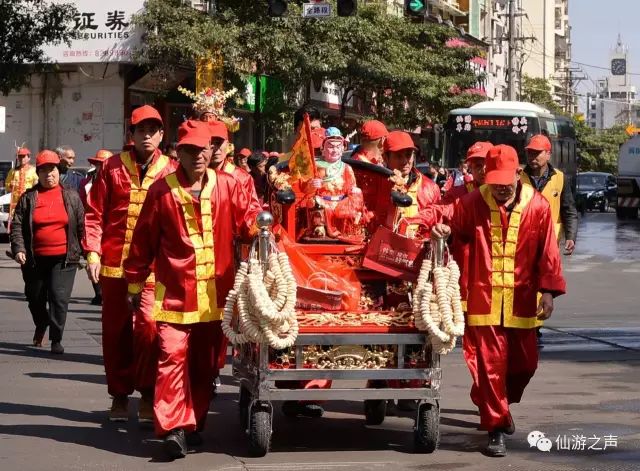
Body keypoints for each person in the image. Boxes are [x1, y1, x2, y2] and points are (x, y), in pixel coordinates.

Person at [123, 120, 259, 458]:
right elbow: (142, 241)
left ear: (212, 150)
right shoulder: (160, 191)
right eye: (189, 150)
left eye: (203, 149)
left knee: (205, 364)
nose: (198, 156)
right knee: (171, 356)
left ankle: (193, 421)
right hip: (175, 295)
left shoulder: (229, 185)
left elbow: (248, 224)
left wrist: (266, 225)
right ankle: (173, 429)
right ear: (177, 152)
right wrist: (135, 282)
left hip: (218, 297)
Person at [431, 144, 566, 457]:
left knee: (525, 365)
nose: (501, 188)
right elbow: (455, 230)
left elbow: (548, 252)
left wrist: (548, 291)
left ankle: (501, 403)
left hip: (522, 298)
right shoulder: (471, 202)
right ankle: (495, 426)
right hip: (483, 297)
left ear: (518, 175)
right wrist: (443, 230)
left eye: (506, 182)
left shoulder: (539, 206)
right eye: (495, 182)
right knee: (491, 366)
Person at [83, 105, 177, 423]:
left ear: (162, 135)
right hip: (114, 266)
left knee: (150, 328)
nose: (147, 135)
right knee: (116, 331)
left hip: (153, 269)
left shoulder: (171, 171)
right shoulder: (111, 168)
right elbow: (94, 213)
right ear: (132, 134)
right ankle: (120, 396)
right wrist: (92, 253)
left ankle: (149, 394)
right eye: (141, 130)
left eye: (153, 130)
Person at [10, 150, 85, 354]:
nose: (48, 174)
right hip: (34, 259)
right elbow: (16, 226)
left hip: (64, 258)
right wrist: (19, 249)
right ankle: (42, 323)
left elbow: (81, 226)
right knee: (34, 297)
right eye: (43, 170)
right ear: (38, 173)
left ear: (58, 171)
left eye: (51, 169)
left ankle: (56, 339)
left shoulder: (71, 196)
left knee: (59, 298)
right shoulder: (28, 197)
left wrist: (88, 254)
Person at [521, 134, 578, 255]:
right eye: (530, 153)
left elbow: (569, 211)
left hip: (550, 242)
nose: (532, 157)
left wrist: (570, 237)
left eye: (537, 153)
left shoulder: (560, 178)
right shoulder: (518, 178)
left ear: (548, 154)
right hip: (523, 242)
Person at [382, 131, 441, 238]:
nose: (405, 161)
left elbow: (438, 224)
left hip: (418, 251)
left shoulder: (431, 188)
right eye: (398, 156)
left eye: (408, 155)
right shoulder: (377, 184)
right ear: (385, 157)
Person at [79, 149, 113, 306]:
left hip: (111, 230)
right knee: (92, 260)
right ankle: (98, 292)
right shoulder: (86, 183)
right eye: (99, 164)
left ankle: (106, 292)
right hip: (91, 227)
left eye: (104, 164)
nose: (101, 167)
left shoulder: (117, 183)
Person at [5, 147, 38, 226]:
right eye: (20, 156)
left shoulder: (34, 170)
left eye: (24, 156)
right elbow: (7, 185)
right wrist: (10, 185)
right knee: (16, 224)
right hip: (15, 203)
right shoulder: (13, 171)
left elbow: (37, 186)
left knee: (28, 223)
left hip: (28, 201)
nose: (21, 158)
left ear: (28, 157)